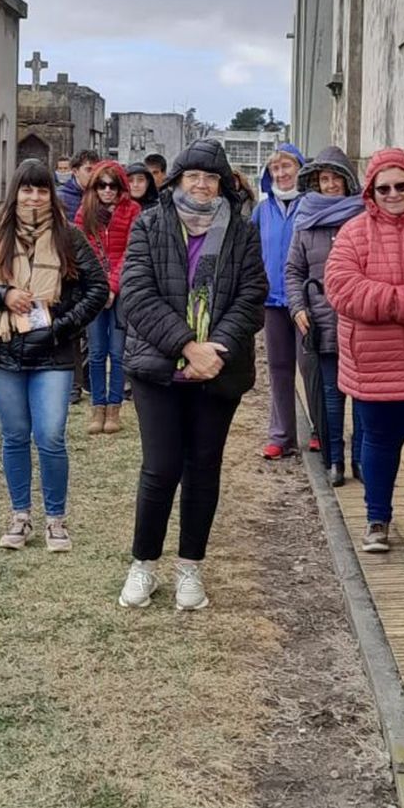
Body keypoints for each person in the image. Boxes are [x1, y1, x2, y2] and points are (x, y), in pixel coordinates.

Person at [116, 139, 267, 611]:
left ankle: (190, 568)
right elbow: (136, 295)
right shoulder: (150, 224)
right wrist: (186, 346)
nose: (201, 185)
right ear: (177, 180)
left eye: (211, 178)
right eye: (192, 176)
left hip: (217, 371)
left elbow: (252, 294)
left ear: (223, 185)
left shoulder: (241, 232)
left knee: (203, 468)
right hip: (158, 368)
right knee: (160, 468)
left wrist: (214, 349)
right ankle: (143, 565)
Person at [0, 160, 108, 552]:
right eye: (27, 190)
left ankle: (56, 519)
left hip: (53, 353)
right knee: (15, 436)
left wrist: (59, 326)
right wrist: (2, 295)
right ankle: (20, 515)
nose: (34, 197)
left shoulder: (68, 236)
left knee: (51, 436)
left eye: (42, 190)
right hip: (3, 352)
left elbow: (97, 289)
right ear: (16, 192)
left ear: (50, 194)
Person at [324, 148, 404, 557]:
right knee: (377, 444)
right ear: (371, 192)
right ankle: (376, 519)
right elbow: (343, 290)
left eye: (401, 185)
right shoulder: (353, 233)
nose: (393, 193)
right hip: (374, 366)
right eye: (384, 188)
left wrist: (386, 302)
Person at [284, 147, 364, 485]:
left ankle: (362, 460)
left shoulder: (363, 218)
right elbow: (293, 270)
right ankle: (335, 461)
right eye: (324, 179)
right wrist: (298, 307)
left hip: (360, 322)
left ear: (347, 181)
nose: (330, 185)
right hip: (320, 321)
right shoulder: (305, 223)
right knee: (331, 396)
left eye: (336, 178)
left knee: (363, 399)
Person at [73, 159, 140, 433]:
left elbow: (130, 251)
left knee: (118, 351)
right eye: (102, 185)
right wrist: (100, 288)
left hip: (121, 291)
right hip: (94, 289)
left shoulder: (133, 210)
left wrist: (113, 287)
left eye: (113, 185)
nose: (108, 190)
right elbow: (82, 251)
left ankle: (114, 408)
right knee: (97, 352)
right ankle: (97, 408)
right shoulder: (84, 212)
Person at [251, 143, 306, 459]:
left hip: (306, 302)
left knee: (311, 369)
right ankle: (282, 435)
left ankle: (319, 431)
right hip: (272, 301)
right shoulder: (263, 211)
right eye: (276, 169)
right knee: (279, 369)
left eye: (287, 167)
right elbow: (252, 253)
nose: (282, 174)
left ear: (299, 169)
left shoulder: (311, 205)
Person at [57, 148, 98, 222]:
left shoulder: (101, 194)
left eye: (96, 170)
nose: (93, 174)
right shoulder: (61, 197)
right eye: (88, 170)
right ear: (75, 172)